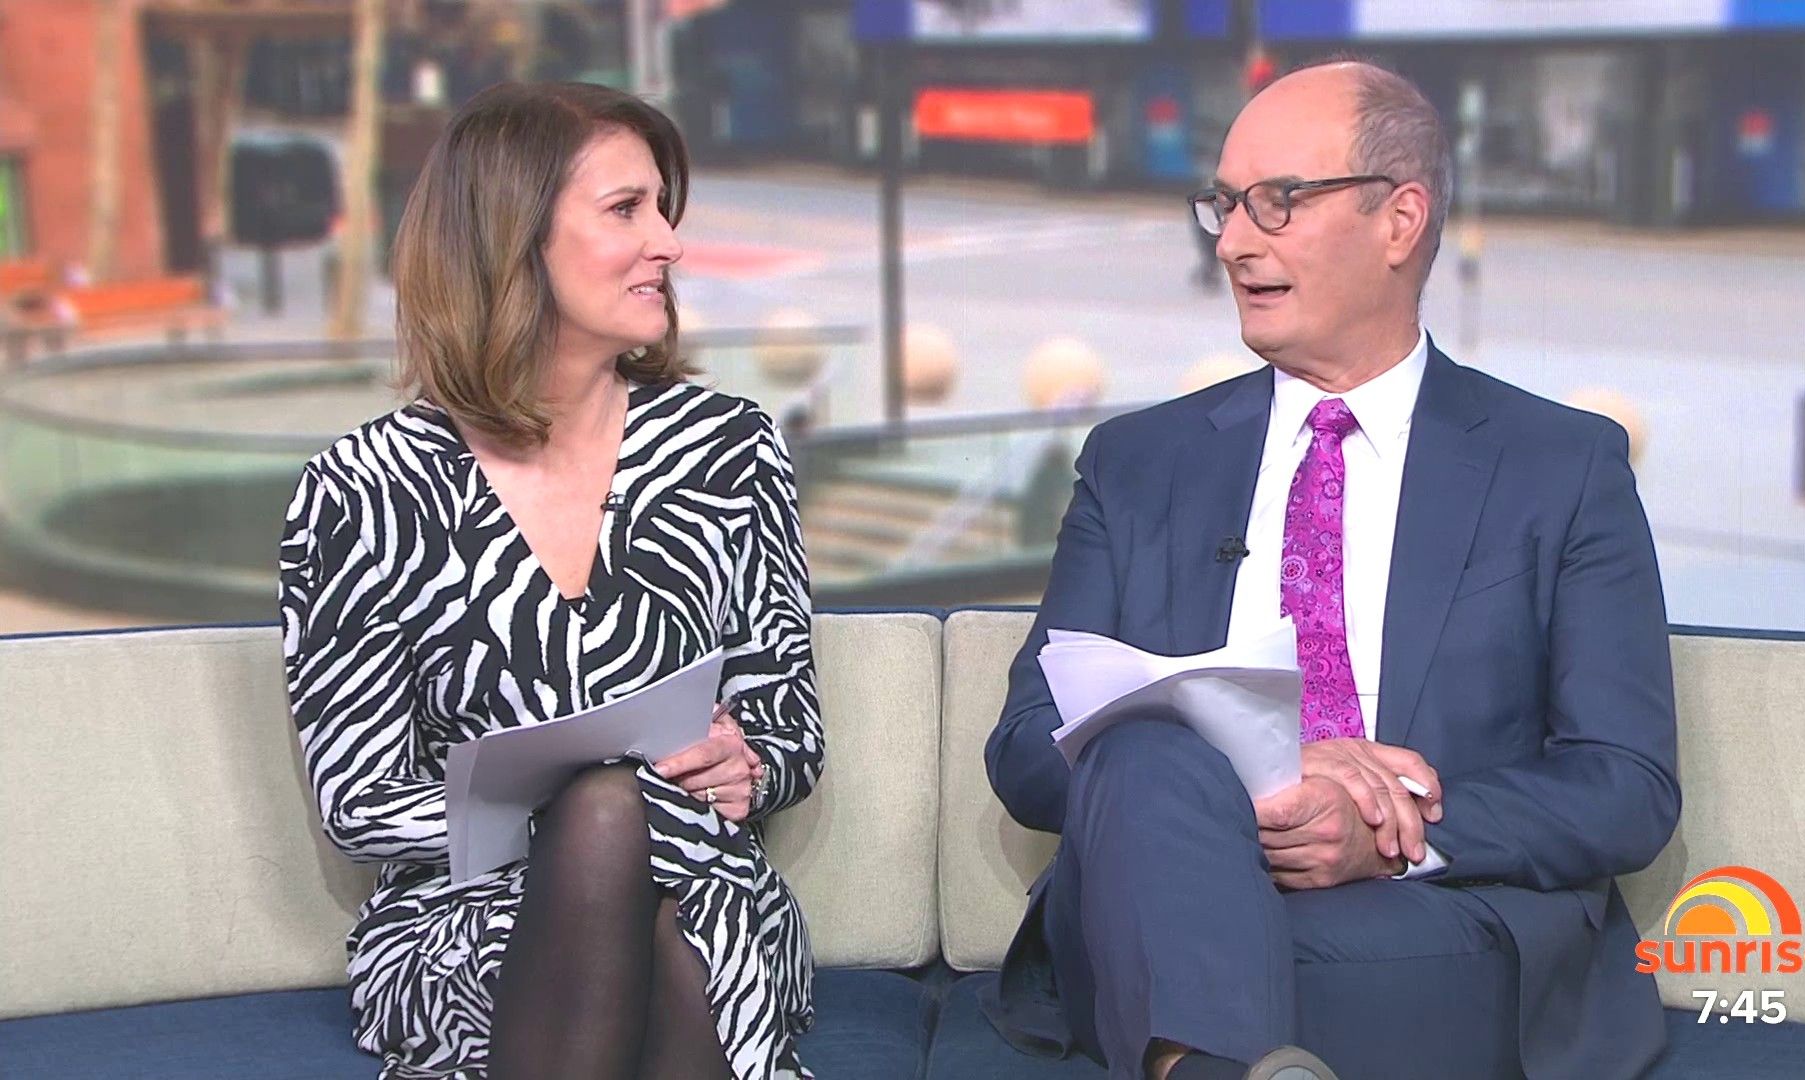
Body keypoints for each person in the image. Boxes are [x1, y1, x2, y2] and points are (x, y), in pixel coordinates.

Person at [983, 58, 1680, 1080]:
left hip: (1427, 920)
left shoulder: (1559, 467)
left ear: (1400, 220)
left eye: (1278, 201)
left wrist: (1386, 830)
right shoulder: (1138, 465)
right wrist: (1256, 775)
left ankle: (1194, 1057)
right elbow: (1027, 748)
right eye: (1224, 204)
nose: (1232, 241)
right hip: (1163, 893)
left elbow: (1625, 785)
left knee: (1193, 973)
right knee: (1142, 750)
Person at [279, 81, 824, 1080]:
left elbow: (788, 728)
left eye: (664, 210)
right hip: (467, 912)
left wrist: (743, 766)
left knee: (683, 926)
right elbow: (359, 798)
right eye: (626, 210)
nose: (669, 243)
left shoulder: (729, 449)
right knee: (612, 828)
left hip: (702, 884)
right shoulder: (364, 489)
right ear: (513, 238)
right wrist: (579, 812)